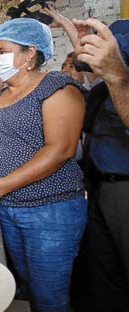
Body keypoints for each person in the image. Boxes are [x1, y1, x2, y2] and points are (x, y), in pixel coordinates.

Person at [0, 18, 86, 311]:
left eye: (2, 51)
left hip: (50, 209)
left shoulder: (56, 86)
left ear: (29, 54)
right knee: (23, 283)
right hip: (7, 208)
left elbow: (61, 149)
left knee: (49, 296)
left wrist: (2, 184)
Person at [71, 18, 129, 311]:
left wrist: (118, 76)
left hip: (124, 185)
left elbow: (114, 72)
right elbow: (89, 66)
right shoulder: (122, 27)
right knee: (105, 277)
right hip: (100, 183)